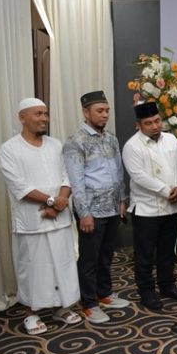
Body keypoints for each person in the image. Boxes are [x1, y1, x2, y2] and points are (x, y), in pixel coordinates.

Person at [0, 98, 81, 335]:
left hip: (58, 217)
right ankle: (30, 313)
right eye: (38, 114)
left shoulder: (55, 145)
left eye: (45, 114)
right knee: (33, 268)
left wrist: (58, 204)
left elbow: (67, 176)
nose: (44, 118)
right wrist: (52, 201)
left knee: (62, 264)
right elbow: (18, 186)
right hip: (32, 221)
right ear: (22, 117)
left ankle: (61, 307)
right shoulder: (9, 149)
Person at [63, 91, 130, 324]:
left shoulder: (111, 138)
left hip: (112, 207)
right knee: (90, 258)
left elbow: (119, 171)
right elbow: (76, 181)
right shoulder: (75, 141)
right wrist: (84, 213)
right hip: (91, 210)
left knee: (106, 255)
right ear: (85, 112)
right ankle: (89, 303)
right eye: (99, 111)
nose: (105, 115)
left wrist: (122, 199)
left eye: (107, 110)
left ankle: (104, 293)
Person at [122, 101, 177, 311]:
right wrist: (166, 190)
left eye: (157, 121)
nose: (155, 126)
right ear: (139, 125)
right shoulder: (132, 146)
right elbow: (139, 176)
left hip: (171, 207)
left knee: (168, 251)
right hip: (147, 209)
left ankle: (167, 285)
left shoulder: (170, 139)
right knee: (145, 255)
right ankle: (147, 292)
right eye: (148, 123)